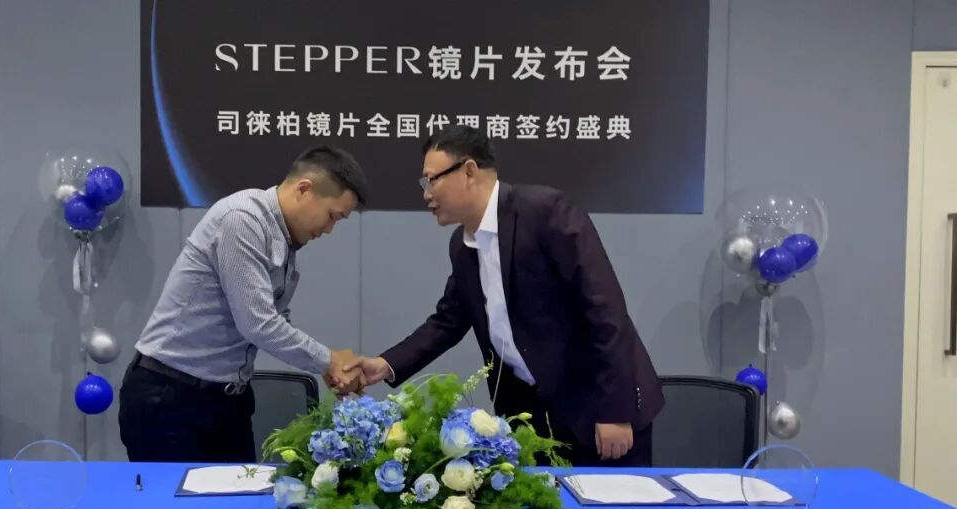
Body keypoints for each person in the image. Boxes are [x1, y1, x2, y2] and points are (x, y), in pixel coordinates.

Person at [344, 126, 663, 466]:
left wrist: (614, 411)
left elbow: (605, 311)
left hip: (598, 411)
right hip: (532, 421)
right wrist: (385, 365)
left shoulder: (545, 212)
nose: (426, 194)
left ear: (469, 171)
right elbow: (447, 322)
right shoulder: (462, 246)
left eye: (431, 180)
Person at [119, 146, 368, 463]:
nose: (330, 229)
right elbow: (258, 324)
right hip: (170, 398)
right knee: (177, 498)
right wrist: (328, 360)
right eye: (332, 216)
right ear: (304, 189)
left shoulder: (283, 238)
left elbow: (273, 318)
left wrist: (326, 366)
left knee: (241, 494)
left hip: (227, 401)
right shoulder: (242, 219)